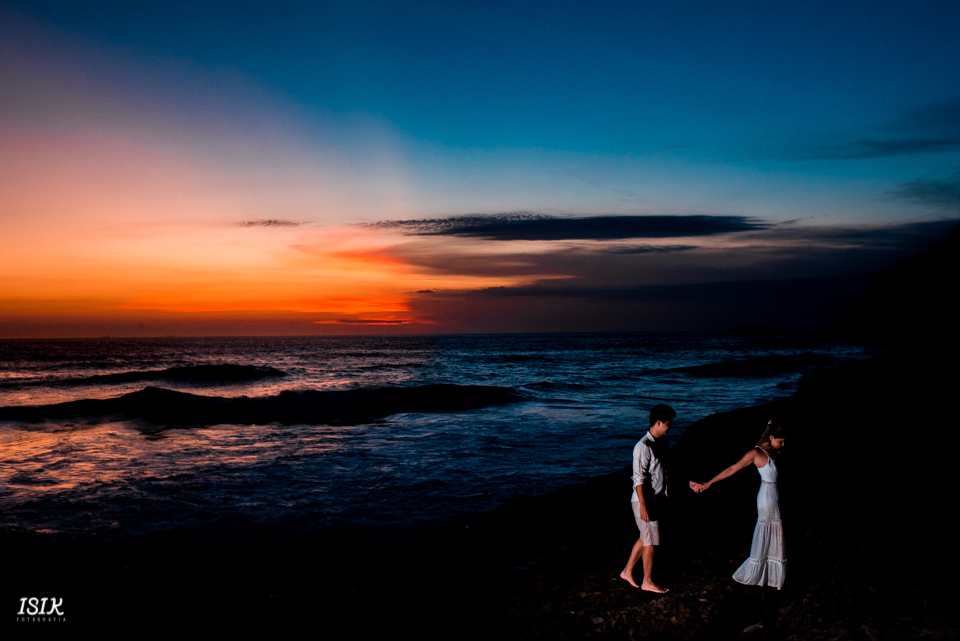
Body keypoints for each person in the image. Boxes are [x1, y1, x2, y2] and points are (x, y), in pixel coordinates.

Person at [690, 420, 787, 589]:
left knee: (773, 532)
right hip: (767, 497)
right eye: (781, 441)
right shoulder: (756, 453)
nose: (783, 444)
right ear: (771, 437)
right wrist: (709, 483)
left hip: (774, 495)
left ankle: (770, 576)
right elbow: (732, 469)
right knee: (767, 530)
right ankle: (758, 574)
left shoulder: (773, 452)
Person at [620, 404, 675, 593]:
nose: (670, 427)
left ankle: (627, 571)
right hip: (644, 501)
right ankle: (647, 582)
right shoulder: (643, 447)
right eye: (668, 423)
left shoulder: (661, 443)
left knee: (645, 537)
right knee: (650, 541)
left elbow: (664, 472)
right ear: (658, 422)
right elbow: (638, 479)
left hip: (656, 500)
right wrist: (644, 506)